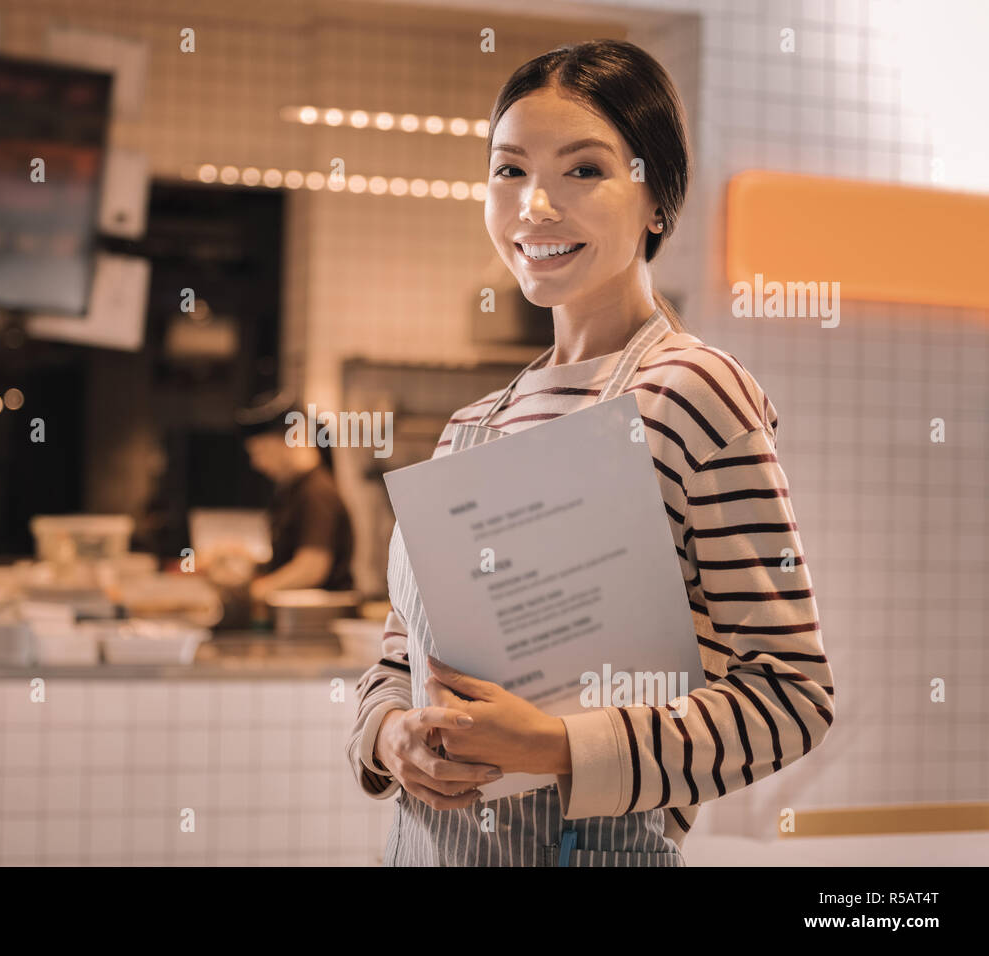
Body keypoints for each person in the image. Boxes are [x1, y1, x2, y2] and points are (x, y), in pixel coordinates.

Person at [346, 40, 835, 866]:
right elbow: (399, 655)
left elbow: (790, 698)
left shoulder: (693, 395)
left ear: (656, 200)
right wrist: (390, 737)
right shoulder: (471, 427)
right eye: (509, 170)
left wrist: (558, 747)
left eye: (583, 171)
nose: (535, 205)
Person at [206, 391, 355, 612]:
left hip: (317, 623)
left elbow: (311, 567)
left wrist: (250, 593)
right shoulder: (291, 491)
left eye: (259, 451)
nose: (256, 463)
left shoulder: (317, 492)